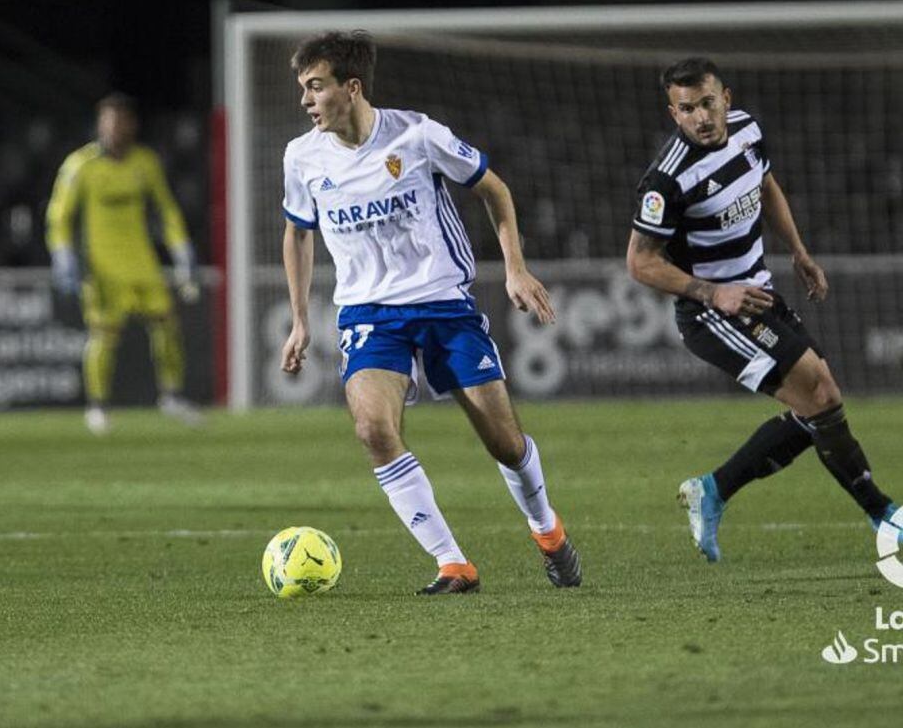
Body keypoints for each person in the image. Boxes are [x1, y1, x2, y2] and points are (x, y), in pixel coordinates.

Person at [280, 30, 581, 594]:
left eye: (315, 87)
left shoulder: (417, 135)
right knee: (373, 429)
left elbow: (495, 190)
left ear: (352, 87)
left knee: (504, 443)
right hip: (369, 313)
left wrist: (514, 267)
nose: (306, 100)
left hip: (444, 304)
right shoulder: (302, 157)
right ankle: (452, 563)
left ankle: (548, 532)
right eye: (303, 88)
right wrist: (300, 318)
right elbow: (298, 235)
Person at [627, 56, 899, 562]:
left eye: (708, 103)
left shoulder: (748, 131)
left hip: (759, 292)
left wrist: (797, 250)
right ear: (674, 114)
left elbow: (765, 185)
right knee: (820, 394)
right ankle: (884, 514)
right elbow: (640, 264)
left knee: (818, 403)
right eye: (687, 109)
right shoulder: (666, 181)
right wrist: (712, 292)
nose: (701, 117)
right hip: (712, 313)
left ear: (726, 98)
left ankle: (714, 489)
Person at [46, 93, 201, 434]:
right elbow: (59, 215)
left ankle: (172, 397)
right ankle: (98, 407)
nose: (114, 129)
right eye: (108, 121)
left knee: (167, 325)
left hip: (142, 263)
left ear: (132, 125)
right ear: (99, 124)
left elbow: (167, 210)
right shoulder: (81, 165)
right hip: (102, 268)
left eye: (120, 121)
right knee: (103, 335)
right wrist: (63, 254)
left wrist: (180, 247)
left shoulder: (145, 162)